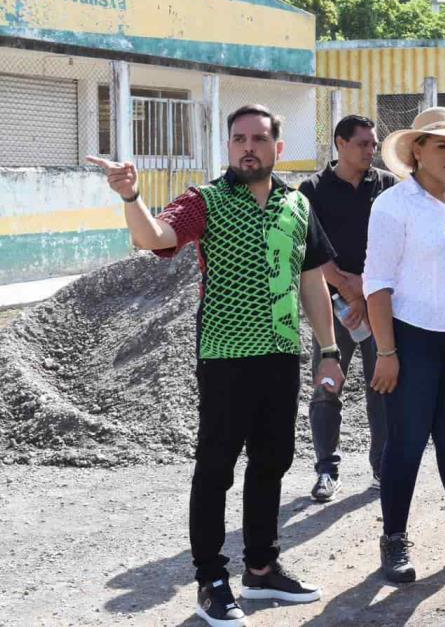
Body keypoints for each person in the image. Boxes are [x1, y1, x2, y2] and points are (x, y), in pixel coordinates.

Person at [88, 104, 344, 627]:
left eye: (257, 138)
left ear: (277, 148)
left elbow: (312, 279)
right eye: (237, 139)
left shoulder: (297, 205)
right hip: (225, 357)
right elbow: (153, 237)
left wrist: (330, 349)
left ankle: (262, 568)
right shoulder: (205, 201)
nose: (247, 147)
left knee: (272, 461)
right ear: (228, 147)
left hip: (280, 357)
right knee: (216, 468)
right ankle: (211, 579)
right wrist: (130, 197)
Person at [364, 106, 445, 583]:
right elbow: (376, 284)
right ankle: (394, 543)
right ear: (416, 151)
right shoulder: (393, 206)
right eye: (441, 145)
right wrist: (386, 350)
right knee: (406, 444)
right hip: (413, 338)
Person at [298, 114, 397, 502]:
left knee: (383, 388)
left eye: (374, 144)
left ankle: (382, 468)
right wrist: (346, 288)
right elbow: (308, 247)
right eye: (363, 144)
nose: (371, 151)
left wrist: (366, 292)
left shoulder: (387, 186)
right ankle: (327, 470)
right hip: (331, 306)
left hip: (379, 303)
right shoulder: (312, 190)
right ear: (340, 143)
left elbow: (396, 245)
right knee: (327, 387)